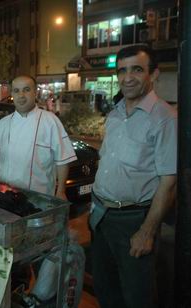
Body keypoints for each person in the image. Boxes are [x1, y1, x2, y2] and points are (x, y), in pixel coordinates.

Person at [90, 45, 177, 308]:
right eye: (122, 71)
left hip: (133, 221)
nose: (127, 77)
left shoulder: (165, 119)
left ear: (154, 74)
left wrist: (147, 231)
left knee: (137, 296)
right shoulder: (115, 113)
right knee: (106, 290)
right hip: (101, 216)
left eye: (137, 70)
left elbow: (169, 183)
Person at [0, 75, 76, 198]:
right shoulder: (4, 124)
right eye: (16, 90)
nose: (21, 95)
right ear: (12, 94)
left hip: (40, 198)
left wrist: (61, 191)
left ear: (35, 93)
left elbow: (63, 159)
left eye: (26, 89)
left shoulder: (50, 121)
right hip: (7, 196)